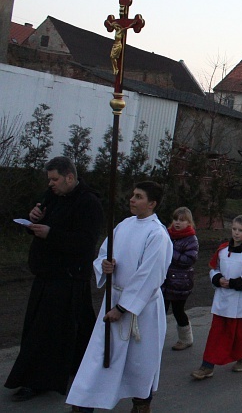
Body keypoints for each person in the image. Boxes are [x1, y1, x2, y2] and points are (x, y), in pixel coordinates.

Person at [67, 181, 173, 413]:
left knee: (140, 363)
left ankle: (141, 405)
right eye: (133, 195)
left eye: (138, 196)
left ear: (152, 203)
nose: (132, 200)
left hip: (141, 310)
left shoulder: (157, 234)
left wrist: (123, 308)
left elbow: (150, 275)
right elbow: (105, 252)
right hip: (114, 300)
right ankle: (84, 403)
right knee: (100, 357)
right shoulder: (124, 225)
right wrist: (104, 265)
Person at [5, 156, 103, 402]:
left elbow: (84, 243)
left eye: (55, 179)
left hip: (67, 277)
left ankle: (37, 380)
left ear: (70, 177)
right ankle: (86, 364)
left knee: (47, 331)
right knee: (76, 326)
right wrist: (34, 220)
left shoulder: (88, 203)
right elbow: (41, 225)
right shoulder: (53, 196)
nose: (51, 184)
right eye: (49, 179)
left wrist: (50, 233)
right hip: (48, 274)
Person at [191, 215, 242, 380]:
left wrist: (236, 283)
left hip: (241, 301)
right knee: (216, 333)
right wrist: (217, 278)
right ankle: (207, 365)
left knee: (240, 335)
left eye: (240, 230)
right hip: (223, 299)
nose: (236, 233)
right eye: (234, 229)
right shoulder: (223, 250)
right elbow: (214, 268)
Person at [162, 207, 199, 351]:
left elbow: (188, 260)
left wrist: (170, 251)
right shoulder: (167, 234)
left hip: (180, 283)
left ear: (189, 223)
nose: (178, 223)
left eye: (182, 220)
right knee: (160, 311)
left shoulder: (191, 239)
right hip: (164, 281)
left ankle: (186, 338)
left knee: (178, 311)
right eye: (176, 219)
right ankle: (155, 338)